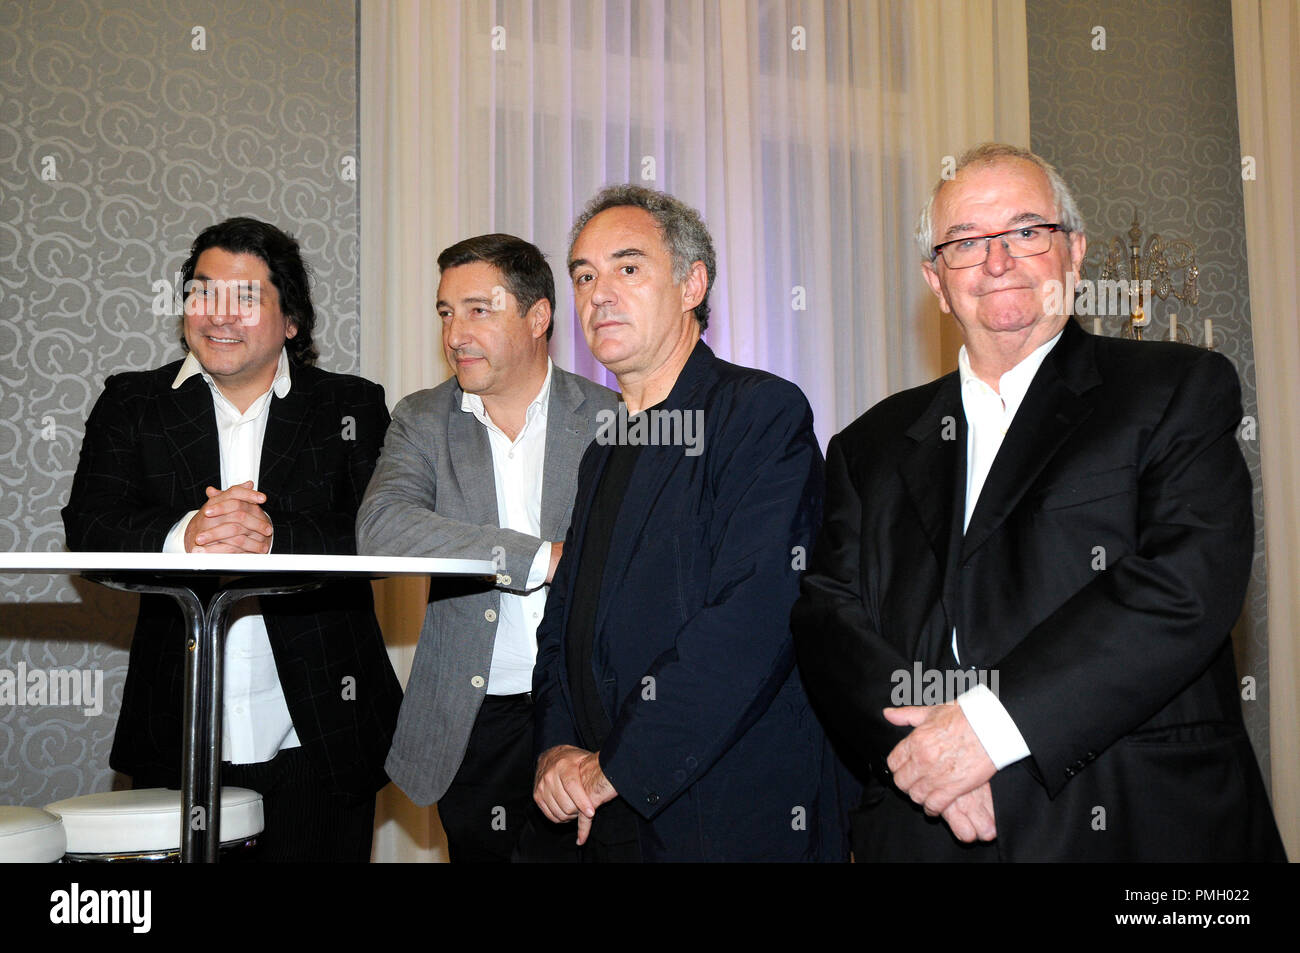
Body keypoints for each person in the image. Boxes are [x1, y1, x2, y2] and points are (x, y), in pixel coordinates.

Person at [791, 143, 1287, 861]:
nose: (997, 261)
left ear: (1075, 253)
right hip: (929, 828)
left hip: (1137, 823)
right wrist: (930, 756)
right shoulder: (867, 445)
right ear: (936, 281)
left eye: (1027, 231)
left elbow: (1184, 580)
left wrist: (989, 728)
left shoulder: (1176, 388)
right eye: (965, 241)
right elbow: (827, 616)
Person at [62, 217, 400, 862]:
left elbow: (381, 534)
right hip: (178, 731)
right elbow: (89, 525)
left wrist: (274, 537)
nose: (218, 314)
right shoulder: (134, 402)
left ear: (291, 319)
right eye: (202, 291)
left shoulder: (350, 405)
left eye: (245, 297)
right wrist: (186, 533)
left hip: (321, 730)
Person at [531, 185, 849, 862]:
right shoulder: (603, 448)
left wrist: (617, 763)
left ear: (691, 284)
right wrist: (556, 744)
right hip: (605, 816)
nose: (598, 294)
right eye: (583, 276)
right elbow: (564, 620)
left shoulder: (759, 412)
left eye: (627, 268)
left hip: (727, 808)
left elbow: (759, 614)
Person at [356, 234, 617, 862]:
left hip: (591, 710)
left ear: (537, 316)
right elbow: (382, 528)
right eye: (446, 312)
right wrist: (537, 558)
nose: (455, 333)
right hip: (475, 719)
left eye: (478, 309)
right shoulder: (420, 418)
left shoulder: (613, 415)